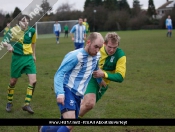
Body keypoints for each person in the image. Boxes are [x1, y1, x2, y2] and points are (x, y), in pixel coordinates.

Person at [39, 32, 105, 132]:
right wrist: (60, 93)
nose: (97, 50)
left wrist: (100, 80)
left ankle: (44, 129)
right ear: (88, 42)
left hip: (78, 95)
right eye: (95, 46)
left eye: (99, 48)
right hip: (67, 90)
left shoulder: (96, 56)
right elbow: (59, 74)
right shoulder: (75, 56)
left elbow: (95, 69)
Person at [78, 32, 126, 119]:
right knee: (89, 103)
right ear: (105, 43)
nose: (112, 50)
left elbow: (120, 77)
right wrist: (98, 76)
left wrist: (103, 74)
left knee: (83, 106)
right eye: (109, 47)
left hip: (103, 85)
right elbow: (86, 61)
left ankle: (57, 126)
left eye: (114, 47)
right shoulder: (98, 49)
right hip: (91, 79)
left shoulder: (120, 55)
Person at [2, 14, 37, 114]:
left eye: (27, 21)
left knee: (33, 81)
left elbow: (33, 43)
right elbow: (4, 41)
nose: (25, 22)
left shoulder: (32, 31)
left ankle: (27, 104)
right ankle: (9, 102)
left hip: (29, 58)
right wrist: (8, 45)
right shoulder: (13, 30)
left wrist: (34, 55)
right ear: (18, 22)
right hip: (17, 59)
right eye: (23, 20)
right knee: (13, 82)